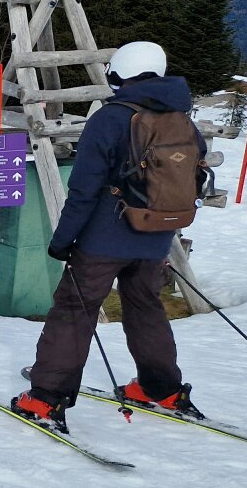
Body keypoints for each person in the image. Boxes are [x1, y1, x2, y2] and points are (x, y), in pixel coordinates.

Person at [12, 41, 207, 433]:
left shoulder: (110, 117)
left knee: (73, 312)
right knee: (146, 309)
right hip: (154, 237)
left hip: (103, 238)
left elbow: (84, 190)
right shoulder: (182, 118)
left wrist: (64, 239)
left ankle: (45, 398)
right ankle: (163, 389)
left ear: (120, 71)